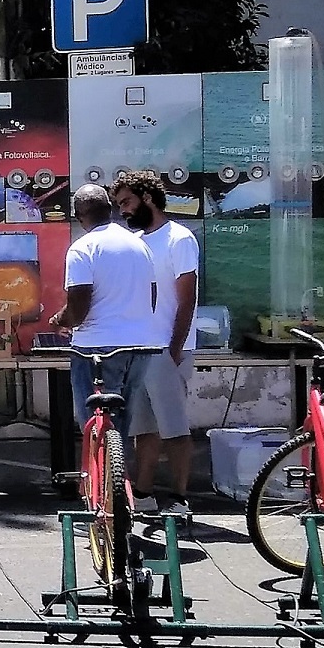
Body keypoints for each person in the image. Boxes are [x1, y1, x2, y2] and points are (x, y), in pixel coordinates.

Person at [45, 182, 164, 438]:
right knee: (121, 428)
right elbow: (151, 298)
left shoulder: (82, 249)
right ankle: (120, 477)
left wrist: (59, 320)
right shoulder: (139, 245)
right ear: (110, 209)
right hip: (140, 347)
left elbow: (78, 309)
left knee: (95, 429)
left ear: (78, 217)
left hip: (97, 350)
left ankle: (97, 476)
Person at [115, 171, 200, 511]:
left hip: (167, 349)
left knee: (175, 428)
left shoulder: (179, 239)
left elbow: (187, 298)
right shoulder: (136, 242)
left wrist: (175, 349)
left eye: (127, 202)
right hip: (141, 349)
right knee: (144, 429)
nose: (122, 210)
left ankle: (180, 498)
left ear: (147, 198)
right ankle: (145, 494)